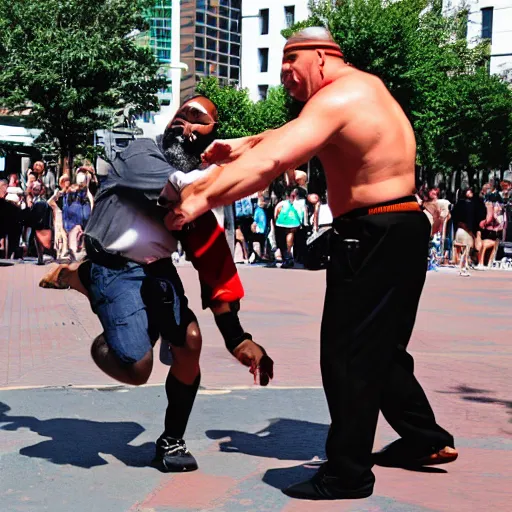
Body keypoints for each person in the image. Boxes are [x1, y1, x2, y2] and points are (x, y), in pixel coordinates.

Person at [166, 27, 457, 500]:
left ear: (321, 58)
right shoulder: (365, 89)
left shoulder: (338, 98)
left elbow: (276, 159)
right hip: (400, 229)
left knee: (347, 356)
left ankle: (347, 474)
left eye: (289, 65)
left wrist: (199, 196)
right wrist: (240, 145)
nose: (284, 78)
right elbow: (283, 136)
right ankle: (426, 438)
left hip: (372, 234)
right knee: (380, 349)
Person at [40, 96, 274, 473]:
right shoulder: (140, 153)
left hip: (157, 271)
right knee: (137, 370)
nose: (185, 126)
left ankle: (171, 440)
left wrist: (237, 337)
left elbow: (214, 262)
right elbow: (186, 186)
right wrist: (259, 159)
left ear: (210, 141)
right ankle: (81, 278)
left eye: (198, 122)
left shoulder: (197, 195)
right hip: (113, 266)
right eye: (181, 115)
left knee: (191, 342)